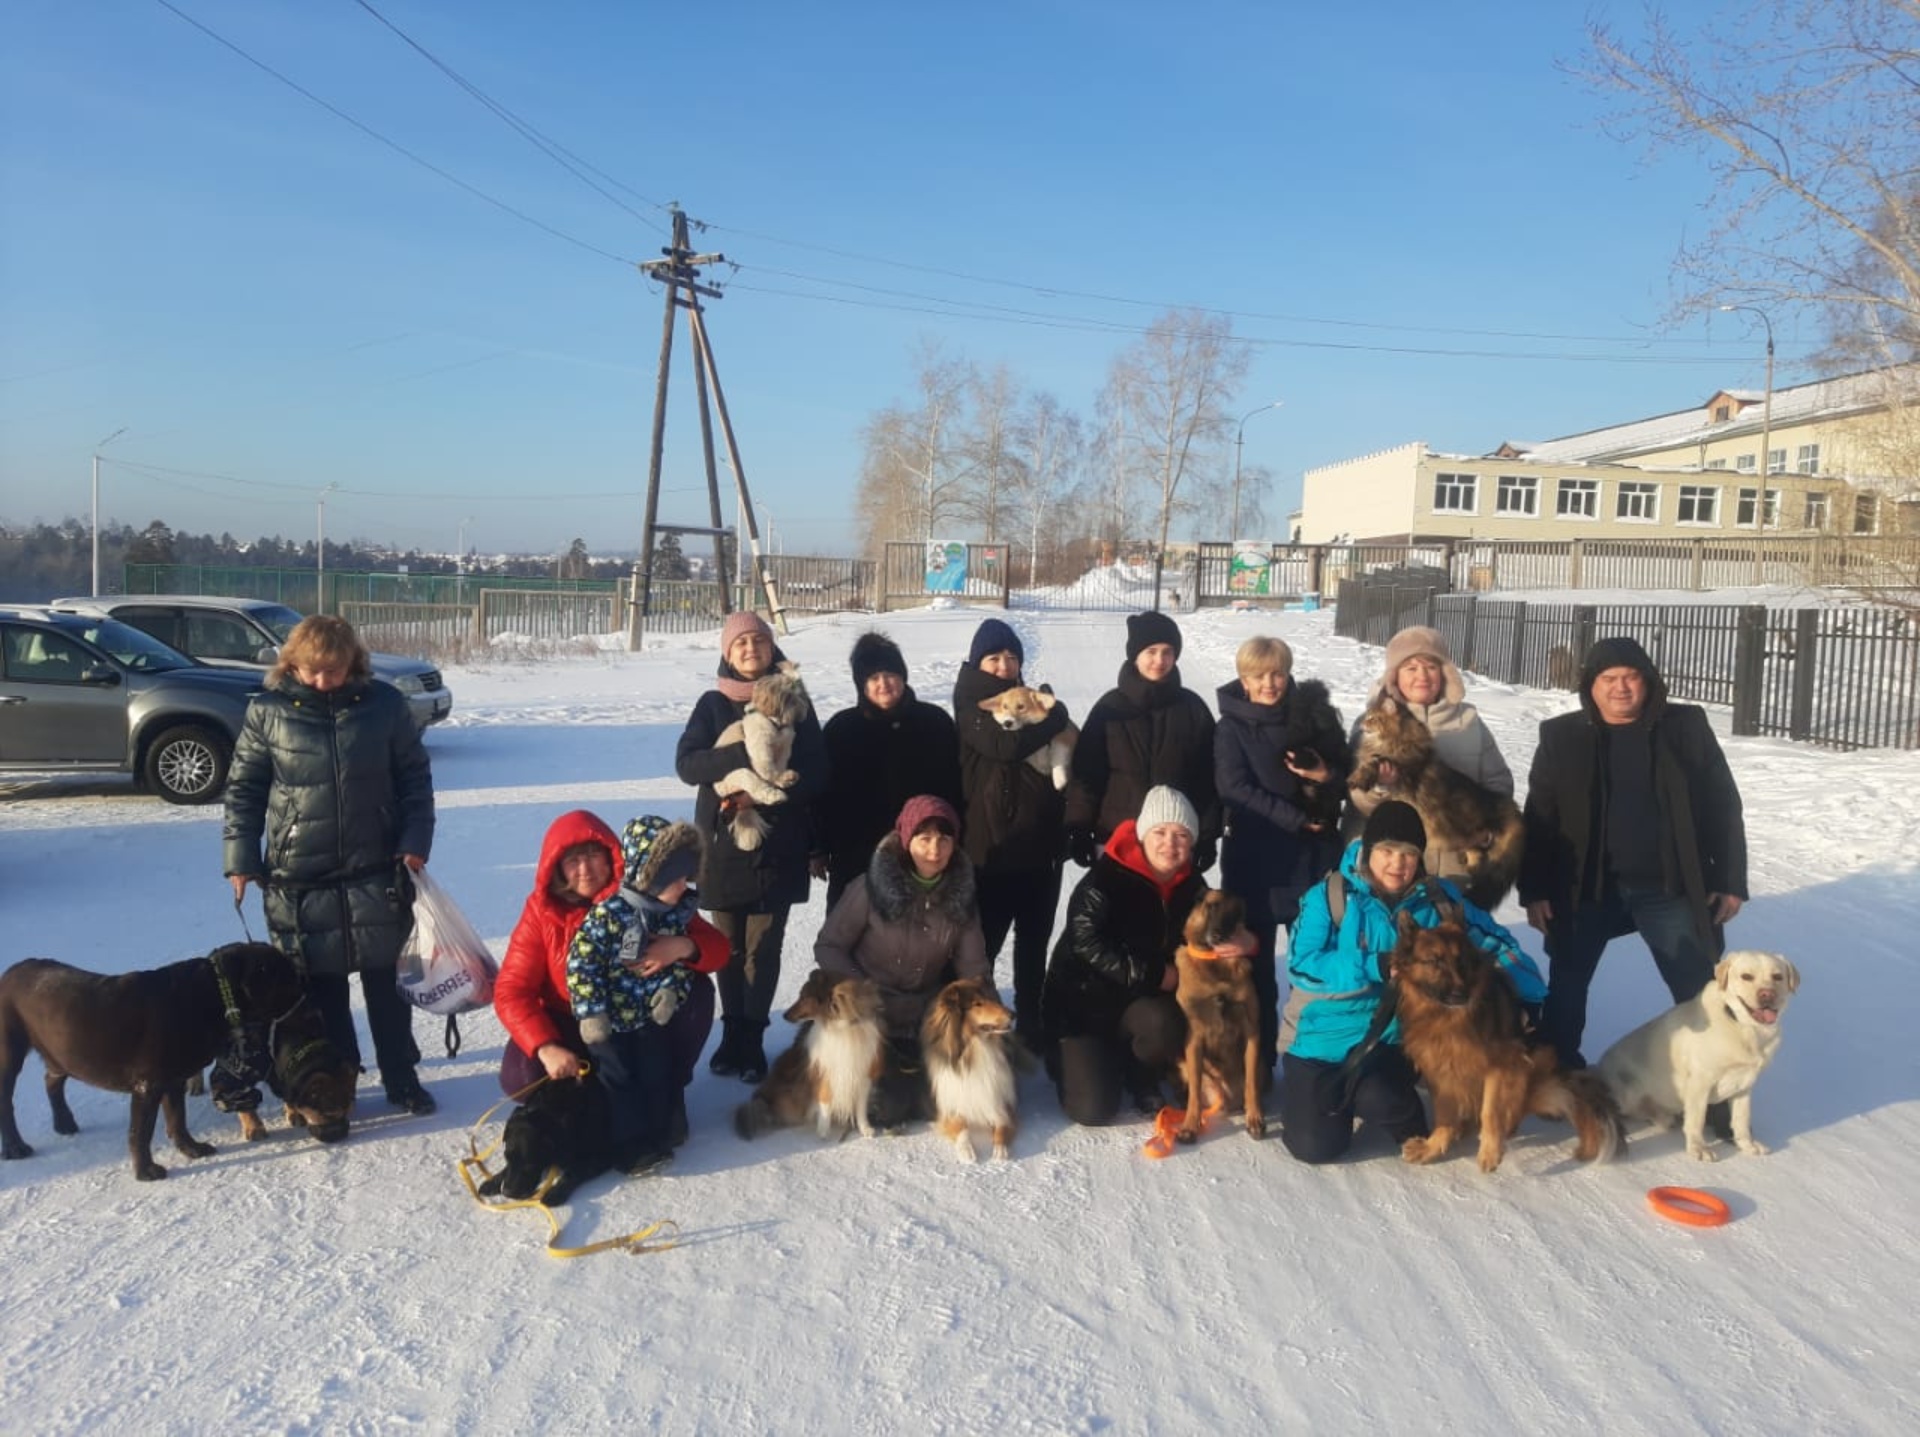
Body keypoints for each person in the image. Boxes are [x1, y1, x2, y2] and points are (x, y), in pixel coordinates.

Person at [223, 615, 438, 1114]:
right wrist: (240, 858)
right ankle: (341, 1078)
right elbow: (244, 791)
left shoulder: (384, 706)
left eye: (334, 671)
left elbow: (414, 779)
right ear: (292, 664)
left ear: (353, 664)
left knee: (387, 987)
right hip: (300, 878)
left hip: (377, 871)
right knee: (324, 994)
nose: (324, 681)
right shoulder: (268, 713)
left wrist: (414, 842)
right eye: (312, 671)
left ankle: (401, 1078)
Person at [1519, 636, 1748, 1075]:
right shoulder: (1561, 736)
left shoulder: (1684, 727)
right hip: (1586, 887)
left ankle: (1715, 1084)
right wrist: (1535, 890)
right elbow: (1540, 818)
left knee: (1699, 988)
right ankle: (1559, 1075)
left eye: (1631, 677)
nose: (1620, 687)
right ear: (1591, 684)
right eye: (1609, 678)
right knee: (1567, 986)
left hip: (1667, 885)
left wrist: (1730, 881)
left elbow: (1722, 804)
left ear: (1647, 682)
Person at [1279, 801, 1546, 1165]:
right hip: (1320, 1039)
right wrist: (1373, 964)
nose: (1397, 863)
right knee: (1316, 1148)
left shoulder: (1438, 900)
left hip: (1388, 1040)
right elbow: (1303, 964)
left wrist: (1531, 997)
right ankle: (1330, 1100)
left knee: (1388, 1101)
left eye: (1408, 854)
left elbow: (1497, 945)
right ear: (1369, 850)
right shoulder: (1331, 897)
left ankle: (1380, 1100)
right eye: (1387, 851)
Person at [493, 809, 726, 1122]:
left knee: (697, 992)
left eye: (593, 855)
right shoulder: (541, 911)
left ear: (611, 856)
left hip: (635, 1015)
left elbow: (720, 949)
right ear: (557, 869)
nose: (585, 869)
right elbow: (512, 989)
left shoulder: (646, 895)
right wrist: (546, 1046)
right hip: (570, 1016)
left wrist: (683, 946)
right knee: (521, 1077)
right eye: (573, 861)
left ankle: (669, 1090)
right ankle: (589, 1098)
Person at [674, 611, 829, 1084]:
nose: (749, 650)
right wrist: (745, 752)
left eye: (758, 641)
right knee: (728, 948)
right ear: (726, 651)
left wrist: (785, 805)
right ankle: (730, 1034)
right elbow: (688, 764)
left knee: (764, 948)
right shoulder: (712, 704)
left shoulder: (795, 699)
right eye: (740, 643)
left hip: (779, 846)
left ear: (771, 647)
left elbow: (819, 771)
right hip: (723, 848)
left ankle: (753, 1039)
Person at [1042, 786, 1236, 1126]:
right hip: (1083, 1006)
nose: (1170, 844)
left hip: (1140, 1005)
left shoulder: (1192, 885)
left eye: (1181, 835)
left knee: (1168, 1022)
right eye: (1160, 832)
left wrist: (1236, 940)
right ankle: (1072, 1061)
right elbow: (1087, 943)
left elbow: (1214, 923)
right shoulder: (1105, 878)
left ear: (1191, 843)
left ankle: (1140, 1072)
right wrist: (1156, 975)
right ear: (1143, 834)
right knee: (1093, 1110)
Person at [1213, 634, 1351, 1079]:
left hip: (1311, 858)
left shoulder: (1315, 716)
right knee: (1254, 969)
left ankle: (1311, 1059)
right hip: (1256, 858)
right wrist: (1291, 817)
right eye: (1258, 676)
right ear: (1244, 679)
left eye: (1277, 673)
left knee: (1312, 966)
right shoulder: (1230, 727)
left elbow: (1347, 775)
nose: (1269, 683)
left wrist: (1325, 775)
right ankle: (1259, 1063)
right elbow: (1232, 786)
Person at [815, 795, 988, 1128]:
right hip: (867, 1016)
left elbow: (973, 969)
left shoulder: (962, 897)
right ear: (907, 841)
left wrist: (986, 1022)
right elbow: (829, 946)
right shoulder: (869, 888)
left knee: (943, 1099)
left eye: (944, 839)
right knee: (885, 1108)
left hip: (921, 1014)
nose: (934, 850)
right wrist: (861, 993)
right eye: (924, 839)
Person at [565, 816, 722, 1174]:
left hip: (646, 1019)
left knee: (656, 1071)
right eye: (676, 879)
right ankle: (628, 1148)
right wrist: (591, 1014)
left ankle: (657, 1133)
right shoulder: (609, 916)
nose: (684, 886)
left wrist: (670, 994)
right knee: (618, 1080)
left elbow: (679, 968)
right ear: (650, 877)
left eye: (686, 878)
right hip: (610, 1023)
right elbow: (581, 964)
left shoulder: (669, 918)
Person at [951, 616, 1072, 1052]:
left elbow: (1070, 751)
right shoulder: (971, 704)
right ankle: (972, 1023)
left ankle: (1032, 1022)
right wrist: (1053, 713)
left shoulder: (1032, 700)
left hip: (1041, 846)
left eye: (1011, 657)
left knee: (1035, 942)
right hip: (990, 848)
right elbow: (1006, 746)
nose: (1004, 665)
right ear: (978, 662)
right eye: (994, 657)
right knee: (983, 946)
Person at [1344, 625, 1513, 886]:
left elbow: (1499, 784)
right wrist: (1381, 787)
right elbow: (1356, 798)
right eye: (1411, 668)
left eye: (1431, 667)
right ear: (1394, 677)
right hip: (1392, 867)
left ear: (1445, 673)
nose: (1422, 675)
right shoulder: (1371, 725)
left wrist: (1482, 832)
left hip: (1454, 865)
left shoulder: (1469, 722)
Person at [815, 630, 963, 913]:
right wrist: (818, 847)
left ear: (903, 675)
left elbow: (955, 786)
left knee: (919, 939)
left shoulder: (935, 722)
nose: (883, 684)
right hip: (856, 855)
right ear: (861, 684)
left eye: (890, 674)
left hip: (923, 854)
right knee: (847, 936)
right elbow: (824, 796)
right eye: (872, 678)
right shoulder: (841, 729)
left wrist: (953, 838)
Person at [1065, 611, 1220, 874]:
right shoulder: (1109, 708)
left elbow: (1209, 778)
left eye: (1168, 652)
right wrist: (1079, 829)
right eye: (1151, 651)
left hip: (1173, 845)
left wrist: (1206, 835)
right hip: (1117, 838)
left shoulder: (1193, 709)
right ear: (1135, 655)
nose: (1159, 660)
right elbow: (1088, 773)